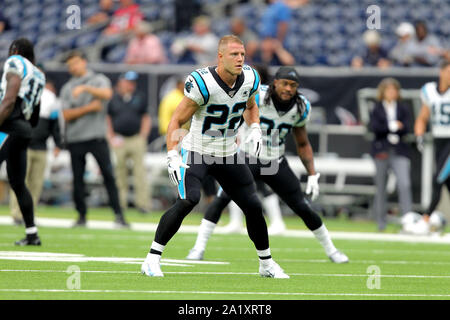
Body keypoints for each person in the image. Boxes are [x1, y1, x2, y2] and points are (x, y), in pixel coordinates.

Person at [141, 35, 289, 278]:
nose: (240, 59)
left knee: (252, 205)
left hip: (228, 152)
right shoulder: (203, 82)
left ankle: (266, 264)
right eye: (234, 54)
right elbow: (177, 120)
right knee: (189, 200)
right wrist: (172, 153)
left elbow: (251, 106)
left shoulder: (250, 78)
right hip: (198, 149)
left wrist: (253, 128)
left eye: (242, 54)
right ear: (220, 56)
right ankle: (151, 259)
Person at [186, 66, 348, 263]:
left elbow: (303, 143)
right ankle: (198, 248)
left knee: (302, 206)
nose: (289, 89)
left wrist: (312, 174)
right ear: (275, 83)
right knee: (222, 199)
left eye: (293, 85)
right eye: (285, 84)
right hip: (248, 157)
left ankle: (332, 250)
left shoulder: (301, 106)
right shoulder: (258, 96)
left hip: (275, 161)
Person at [59, 50, 129, 228]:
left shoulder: (98, 79)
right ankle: (81, 216)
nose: (73, 67)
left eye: (75, 63)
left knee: (108, 176)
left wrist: (85, 88)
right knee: (77, 179)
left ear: (84, 62)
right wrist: (90, 107)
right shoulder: (67, 87)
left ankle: (119, 215)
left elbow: (107, 95)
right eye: (69, 65)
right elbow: (67, 115)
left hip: (97, 136)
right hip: (75, 138)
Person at [0, 38, 45, 245]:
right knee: (18, 183)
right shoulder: (38, 73)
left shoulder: (15, 62)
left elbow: (9, 99)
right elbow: (35, 114)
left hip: (9, 126)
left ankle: (32, 233)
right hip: (24, 130)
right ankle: (32, 234)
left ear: (15, 50)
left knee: (18, 183)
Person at [10, 78, 62, 225]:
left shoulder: (50, 97)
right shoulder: (21, 93)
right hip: (23, 145)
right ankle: (17, 213)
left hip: (41, 147)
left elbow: (54, 123)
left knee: (36, 183)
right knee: (20, 181)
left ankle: (29, 214)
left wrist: (58, 143)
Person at [369, 78, 413, 232]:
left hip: (399, 150)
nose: (392, 93)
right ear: (383, 92)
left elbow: (407, 127)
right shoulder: (376, 108)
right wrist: (391, 126)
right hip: (381, 150)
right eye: (388, 90)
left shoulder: (403, 108)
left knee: (404, 184)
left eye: (394, 90)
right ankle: (381, 223)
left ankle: (408, 222)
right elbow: (375, 128)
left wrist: (396, 127)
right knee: (381, 187)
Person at [107, 71, 151, 213]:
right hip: (119, 139)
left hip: (135, 138)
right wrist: (111, 136)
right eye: (128, 81)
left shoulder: (139, 97)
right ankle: (120, 204)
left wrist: (143, 135)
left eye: (133, 82)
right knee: (120, 173)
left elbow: (145, 117)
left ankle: (143, 204)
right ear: (121, 83)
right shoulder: (113, 98)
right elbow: (108, 118)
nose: (131, 85)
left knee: (140, 172)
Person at [415, 60, 450, 223]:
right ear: (441, 72)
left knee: (438, 178)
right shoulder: (429, 91)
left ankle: (426, 217)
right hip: (438, 140)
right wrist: (419, 135)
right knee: (447, 180)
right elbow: (423, 117)